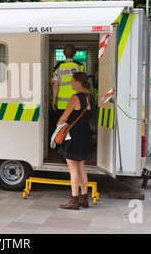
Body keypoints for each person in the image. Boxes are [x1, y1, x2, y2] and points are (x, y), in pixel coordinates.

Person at [56, 72, 94, 210]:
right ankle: (84, 199)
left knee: (73, 170)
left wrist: (57, 128)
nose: (70, 83)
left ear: (78, 82)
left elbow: (64, 117)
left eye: (72, 81)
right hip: (85, 135)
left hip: (74, 136)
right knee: (81, 168)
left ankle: (74, 200)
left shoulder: (75, 98)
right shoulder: (89, 97)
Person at [52, 44, 84, 120]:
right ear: (74, 53)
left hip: (62, 104)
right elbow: (83, 85)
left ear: (64, 53)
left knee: (63, 128)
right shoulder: (79, 67)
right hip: (77, 102)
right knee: (75, 127)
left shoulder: (58, 68)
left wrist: (54, 100)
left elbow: (55, 86)